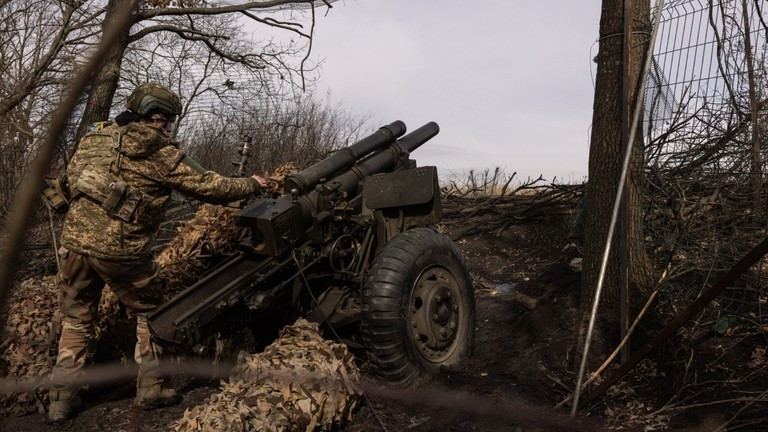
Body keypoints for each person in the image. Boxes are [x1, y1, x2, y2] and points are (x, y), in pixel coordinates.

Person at [48, 83, 266, 421]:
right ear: (159, 118)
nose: (169, 127)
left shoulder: (96, 137)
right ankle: (151, 387)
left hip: (74, 246)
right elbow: (211, 186)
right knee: (153, 312)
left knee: (77, 319)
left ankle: (61, 399)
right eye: (168, 121)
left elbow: (66, 182)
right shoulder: (160, 152)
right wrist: (252, 184)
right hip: (122, 253)